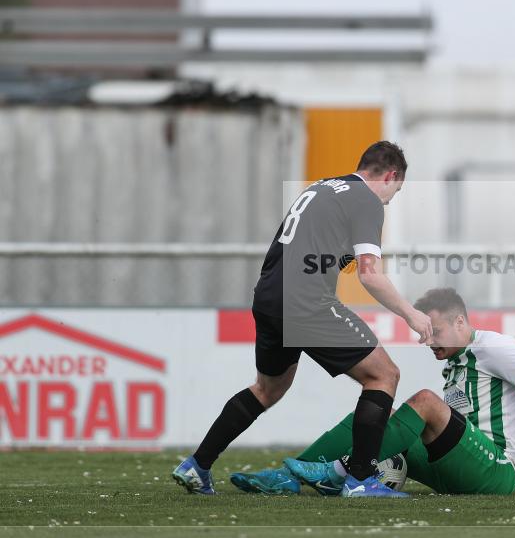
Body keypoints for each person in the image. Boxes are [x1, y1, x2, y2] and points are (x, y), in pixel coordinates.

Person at [172, 141, 433, 497]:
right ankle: (359, 481)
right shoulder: (367, 200)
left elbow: (313, 250)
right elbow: (370, 275)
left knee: (268, 388)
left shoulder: (322, 187)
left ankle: (197, 466)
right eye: (396, 191)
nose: (390, 200)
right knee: (384, 374)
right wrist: (411, 314)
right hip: (304, 301)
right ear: (390, 176)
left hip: (268, 297)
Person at [229, 287, 515, 496]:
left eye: (434, 330)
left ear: (460, 322)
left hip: (495, 470)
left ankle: (342, 470)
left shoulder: (495, 347)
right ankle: (289, 478)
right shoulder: (458, 360)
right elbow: (489, 417)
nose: (427, 339)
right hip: (467, 468)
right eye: (423, 331)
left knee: (424, 402)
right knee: (376, 414)